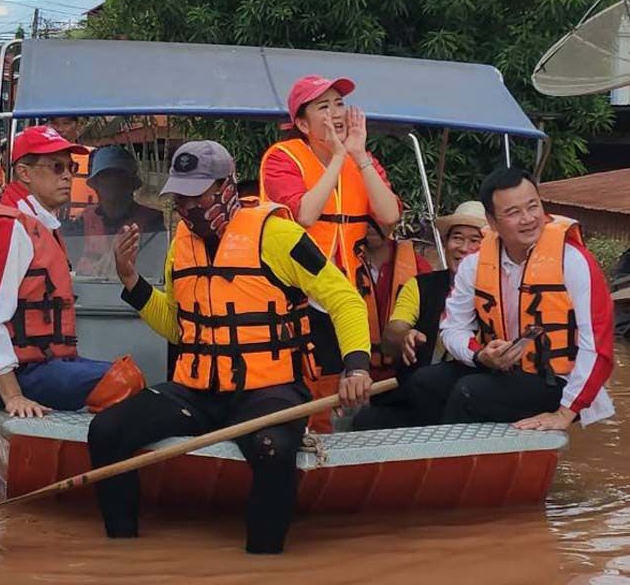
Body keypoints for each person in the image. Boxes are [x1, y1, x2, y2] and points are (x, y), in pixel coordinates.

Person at [88, 140, 372, 554]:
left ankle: (262, 561)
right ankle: (123, 553)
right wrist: (131, 280)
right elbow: (178, 329)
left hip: (269, 391)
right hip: (197, 391)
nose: (187, 206)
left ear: (227, 186)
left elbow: (344, 299)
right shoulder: (180, 241)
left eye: (196, 195)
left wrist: (357, 367)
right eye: (180, 197)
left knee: (272, 449)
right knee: (107, 430)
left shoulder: (279, 234)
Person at [0, 125, 145, 419]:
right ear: (24, 173)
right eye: (57, 167)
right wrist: (13, 396)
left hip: (37, 363)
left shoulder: (37, 221)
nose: (67, 176)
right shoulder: (8, 226)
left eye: (71, 167)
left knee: (128, 373)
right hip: (5, 375)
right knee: (127, 380)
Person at [404, 167, 615, 431]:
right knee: (424, 382)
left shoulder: (573, 261)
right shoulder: (474, 265)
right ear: (492, 223)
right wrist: (481, 355)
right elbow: (452, 328)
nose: (528, 219)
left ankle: (454, 464)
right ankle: (431, 455)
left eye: (532, 207)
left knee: (469, 392)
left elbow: (597, 345)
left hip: (554, 381)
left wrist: (565, 412)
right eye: (513, 212)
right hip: (502, 372)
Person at [259, 75, 401, 430]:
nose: (336, 113)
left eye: (339, 103)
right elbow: (303, 216)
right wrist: (338, 158)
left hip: (345, 294)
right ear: (302, 123)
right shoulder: (281, 158)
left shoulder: (362, 159)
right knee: (301, 384)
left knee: (339, 385)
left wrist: (357, 156)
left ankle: (330, 453)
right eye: (323, 106)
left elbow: (390, 216)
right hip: (294, 293)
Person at [351, 201, 487, 431]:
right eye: (457, 238)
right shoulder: (420, 285)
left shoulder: (500, 291)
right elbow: (392, 332)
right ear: (446, 245)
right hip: (417, 399)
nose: (463, 248)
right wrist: (404, 336)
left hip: (472, 401)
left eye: (475, 241)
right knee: (366, 422)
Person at [63, 145, 165, 277]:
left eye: (119, 177)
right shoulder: (82, 221)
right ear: (96, 184)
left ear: (130, 184)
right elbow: (69, 267)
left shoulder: (153, 222)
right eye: (106, 177)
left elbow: (154, 271)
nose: (112, 182)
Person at [353, 219, 433, 383]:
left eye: (378, 217)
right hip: (352, 374)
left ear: (394, 220)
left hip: (403, 374)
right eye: (364, 216)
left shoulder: (419, 266)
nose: (370, 224)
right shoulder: (340, 263)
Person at [48, 116, 96, 218]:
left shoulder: (94, 156)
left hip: (87, 226)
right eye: (55, 124)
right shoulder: (37, 161)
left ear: (78, 126)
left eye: (66, 123)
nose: (59, 129)